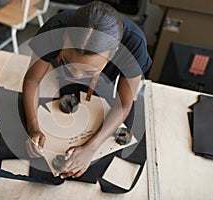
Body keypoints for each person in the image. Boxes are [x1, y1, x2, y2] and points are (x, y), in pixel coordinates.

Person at [22, 1, 151, 179]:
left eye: (87, 71)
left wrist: (91, 148)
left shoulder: (134, 44)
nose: (75, 75)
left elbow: (124, 103)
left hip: (104, 86)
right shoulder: (55, 28)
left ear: (114, 52)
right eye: (68, 61)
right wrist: (33, 126)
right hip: (54, 79)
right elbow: (32, 79)